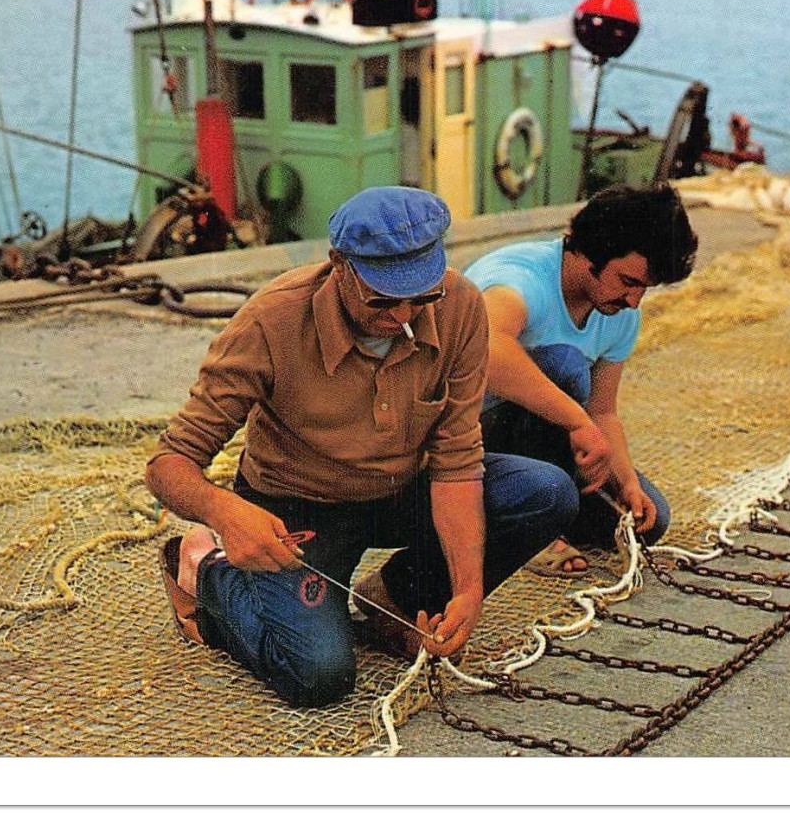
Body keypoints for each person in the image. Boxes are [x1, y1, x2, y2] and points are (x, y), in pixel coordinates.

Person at [146, 186, 576, 707]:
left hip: (405, 488)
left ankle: (393, 600)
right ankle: (203, 568)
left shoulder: (460, 305)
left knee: (546, 492)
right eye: (383, 299)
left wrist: (467, 589)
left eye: (420, 298)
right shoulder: (269, 323)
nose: (402, 317)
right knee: (318, 677)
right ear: (339, 266)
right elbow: (168, 463)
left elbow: (457, 464)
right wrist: (228, 513)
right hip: (302, 510)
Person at [464, 183, 697, 576]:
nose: (634, 301)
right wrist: (577, 421)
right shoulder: (520, 277)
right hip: (460, 448)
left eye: (644, 288)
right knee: (563, 366)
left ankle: (543, 509)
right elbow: (486, 348)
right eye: (628, 282)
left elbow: (603, 411)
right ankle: (532, 528)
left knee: (649, 521)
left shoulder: (620, 312)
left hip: (545, 449)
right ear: (589, 252)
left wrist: (625, 481)